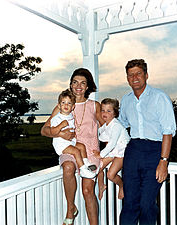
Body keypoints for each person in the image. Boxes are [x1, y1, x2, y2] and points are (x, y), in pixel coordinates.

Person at [41, 68, 104, 225]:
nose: (78, 86)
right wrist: (60, 134)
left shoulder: (95, 106)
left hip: (90, 151)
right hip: (69, 146)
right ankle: (71, 208)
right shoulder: (64, 105)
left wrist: (107, 153)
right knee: (68, 167)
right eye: (75, 82)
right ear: (70, 84)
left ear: (88, 86)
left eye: (83, 83)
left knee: (88, 191)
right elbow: (44, 130)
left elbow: (108, 129)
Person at [119, 59, 176, 225]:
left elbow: (168, 131)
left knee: (146, 203)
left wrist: (163, 162)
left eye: (138, 73)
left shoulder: (159, 97)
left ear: (146, 75)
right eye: (131, 75)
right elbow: (121, 126)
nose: (135, 77)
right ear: (127, 78)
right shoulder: (126, 100)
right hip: (133, 151)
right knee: (129, 202)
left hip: (154, 152)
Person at [51, 89, 97, 179]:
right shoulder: (57, 118)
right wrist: (60, 126)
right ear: (59, 106)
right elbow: (53, 132)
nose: (66, 105)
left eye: (69, 103)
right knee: (76, 151)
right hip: (61, 144)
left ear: (73, 107)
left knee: (82, 146)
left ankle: (86, 163)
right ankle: (83, 170)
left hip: (70, 141)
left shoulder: (70, 116)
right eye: (63, 103)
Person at [93, 98, 130, 200]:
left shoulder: (116, 126)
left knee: (110, 175)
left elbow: (112, 144)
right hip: (113, 152)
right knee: (98, 167)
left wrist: (100, 155)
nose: (105, 113)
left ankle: (122, 185)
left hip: (121, 152)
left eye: (109, 111)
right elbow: (100, 136)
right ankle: (102, 185)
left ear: (115, 113)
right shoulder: (106, 125)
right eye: (103, 110)